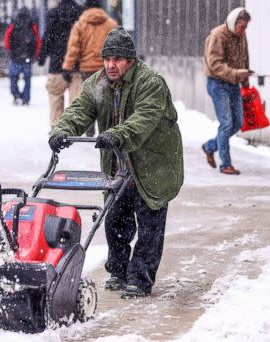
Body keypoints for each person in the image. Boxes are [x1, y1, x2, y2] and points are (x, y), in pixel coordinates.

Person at [48, 27, 184, 298]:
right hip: (118, 165)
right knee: (116, 222)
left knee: (149, 227)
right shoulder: (97, 84)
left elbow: (143, 119)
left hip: (153, 165)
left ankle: (140, 279)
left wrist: (117, 134)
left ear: (130, 61)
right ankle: (118, 271)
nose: (111, 65)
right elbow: (79, 110)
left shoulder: (150, 83)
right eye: (107, 59)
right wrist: (62, 130)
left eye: (118, 59)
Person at [201, 7, 251, 175]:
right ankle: (225, 164)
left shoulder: (241, 36)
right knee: (227, 123)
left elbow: (244, 58)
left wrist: (245, 82)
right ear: (233, 22)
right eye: (241, 26)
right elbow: (214, 64)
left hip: (234, 83)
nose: (243, 30)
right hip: (217, 84)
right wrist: (235, 73)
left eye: (245, 27)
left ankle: (210, 147)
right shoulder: (218, 35)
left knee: (238, 123)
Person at [61, 0, 117, 136]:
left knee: (90, 99)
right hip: (106, 69)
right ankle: (106, 129)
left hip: (87, 69)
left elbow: (74, 48)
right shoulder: (111, 24)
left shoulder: (80, 24)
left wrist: (67, 67)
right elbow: (116, 45)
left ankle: (90, 130)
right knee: (106, 99)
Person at [37, 0, 83, 127]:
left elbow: (47, 38)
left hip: (56, 64)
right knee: (76, 101)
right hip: (76, 64)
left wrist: (41, 57)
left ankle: (57, 127)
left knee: (55, 97)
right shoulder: (80, 13)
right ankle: (74, 127)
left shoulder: (53, 14)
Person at [3, 7, 42, 105]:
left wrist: (9, 51)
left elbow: (7, 38)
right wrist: (36, 54)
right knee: (27, 80)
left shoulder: (14, 24)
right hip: (27, 57)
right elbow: (38, 41)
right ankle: (26, 99)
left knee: (13, 78)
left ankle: (16, 95)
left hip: (15, 57)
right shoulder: (32, 26)